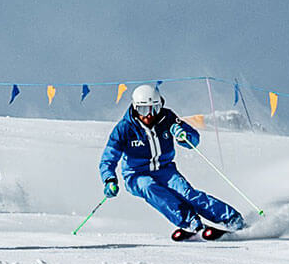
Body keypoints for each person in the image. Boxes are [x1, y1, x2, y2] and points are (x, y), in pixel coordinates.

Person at [100, 84, 246, 240]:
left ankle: (231, 218)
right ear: (135, 108)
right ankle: (191, 223)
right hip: (136, 175)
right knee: (150, 187)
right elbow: (108, 159)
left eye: (154, 109)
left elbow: (194, 139)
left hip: (165, 170)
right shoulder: (124, 129)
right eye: (143, 110)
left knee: (187, 193)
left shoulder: (167, 118)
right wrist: (109, 179)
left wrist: (184, 136)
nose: (149, 115)